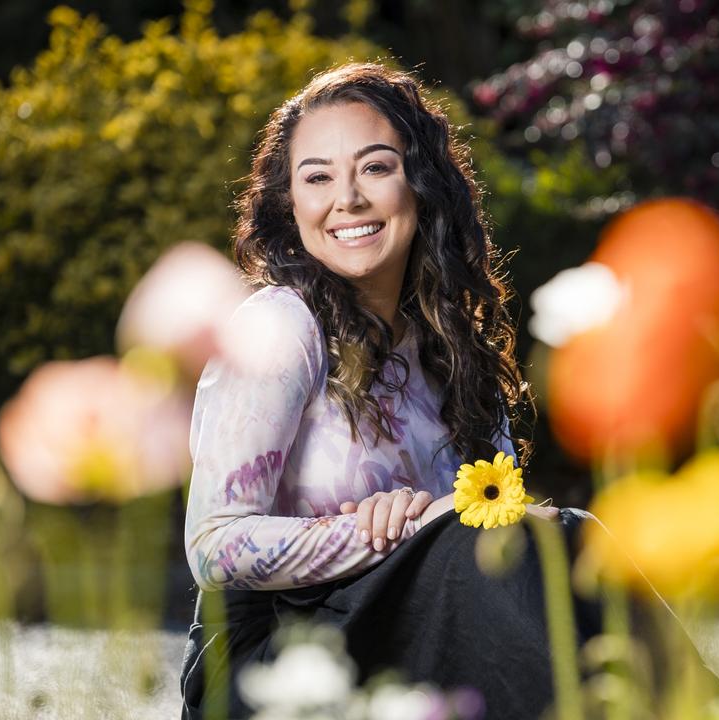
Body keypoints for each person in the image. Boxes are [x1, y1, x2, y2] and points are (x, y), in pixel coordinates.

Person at [178, 62, 590, 719]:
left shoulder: (454, 345)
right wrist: (397, 535)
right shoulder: (282, 327)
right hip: (278, 655)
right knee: (462, 545)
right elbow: (213, 549)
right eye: (317, 177)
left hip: (417, 628)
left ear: (420, 184)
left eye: (375, 167)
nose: (348, 198)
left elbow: (495, 520)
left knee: (572, 537)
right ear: (291, 202)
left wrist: (446, 526)